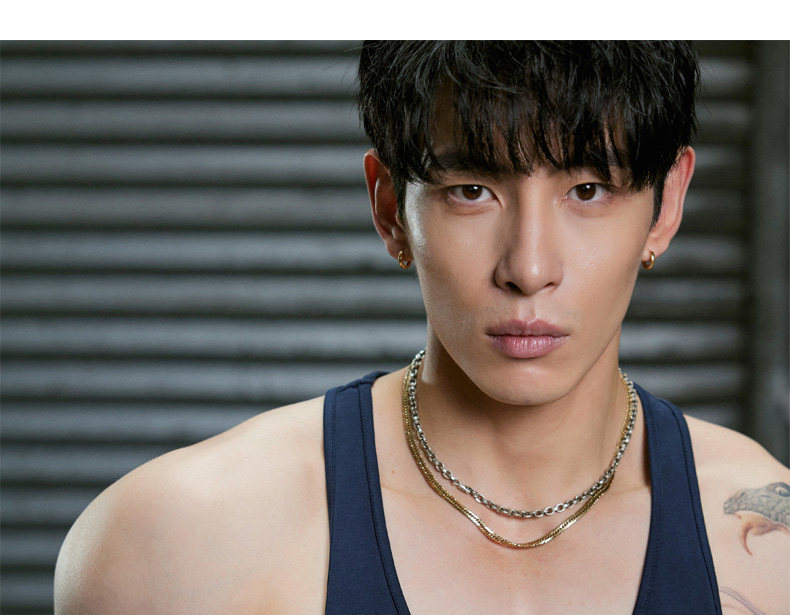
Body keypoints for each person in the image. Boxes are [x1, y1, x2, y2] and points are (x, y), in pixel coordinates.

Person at [54, 41, 788, 614]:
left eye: (588, 190)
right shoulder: (175, 547)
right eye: (471, 190)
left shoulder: (771, 555)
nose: (529, 268)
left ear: (666, 206)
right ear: (389, 209)